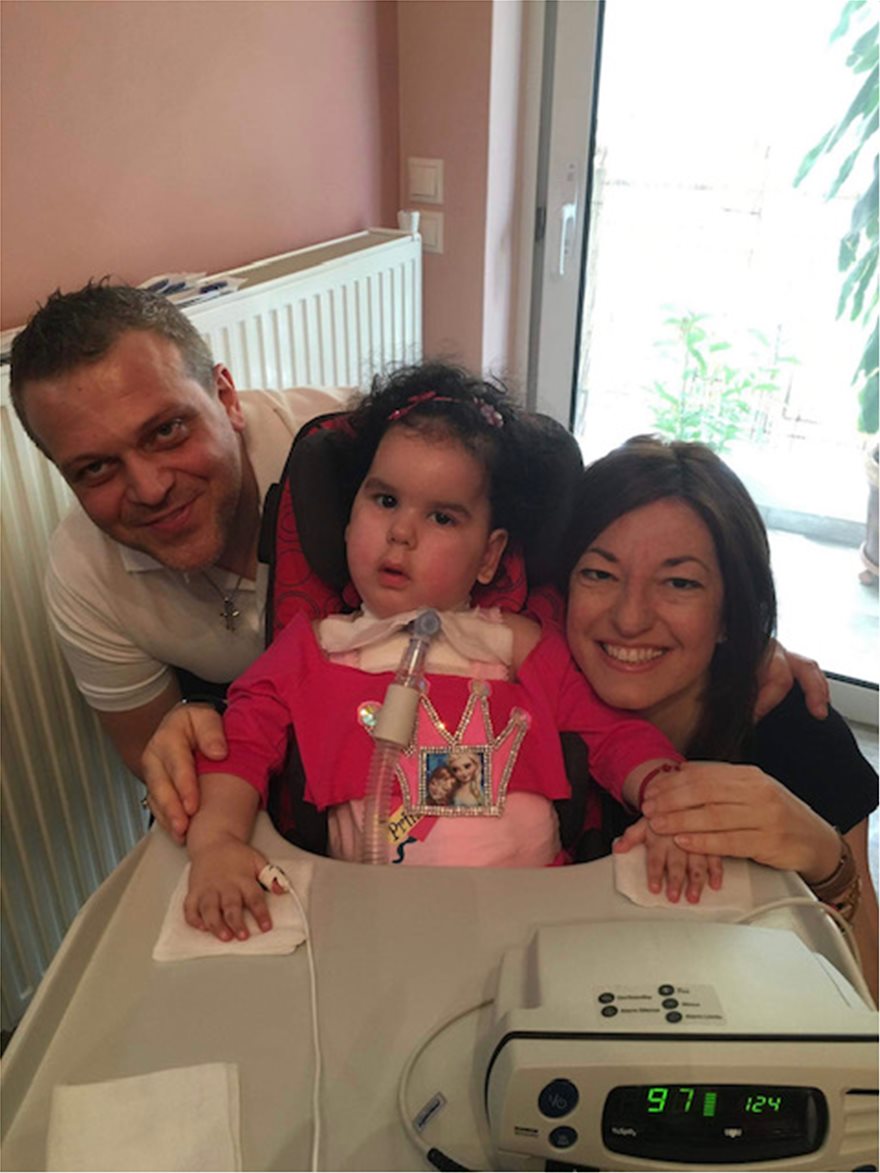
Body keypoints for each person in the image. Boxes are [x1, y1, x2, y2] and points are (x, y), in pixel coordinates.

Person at [183, 366, 718, 941]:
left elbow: (612, 734)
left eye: (441, 516)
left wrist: (669, 805)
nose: (401, 533)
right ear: (348, 520)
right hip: (375, 918)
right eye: (385, 500)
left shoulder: (521, 646)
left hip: (539, 914)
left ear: (489, 556)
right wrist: (218, 842)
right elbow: (239, 748)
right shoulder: (312, 650)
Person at [9, 282, 349, 820]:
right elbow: (157, 765)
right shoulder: (83, 572)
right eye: (95, 468)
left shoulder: (360, 451)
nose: (149, 490)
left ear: (226, 399)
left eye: (167, 431)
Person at [558, 434, 878, 999]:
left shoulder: (796, 732)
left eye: (680, 583)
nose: (630, 618)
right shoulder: (524, 700)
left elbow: (869, 995)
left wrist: (825, 857)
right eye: (599, 574)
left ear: (731, 612)